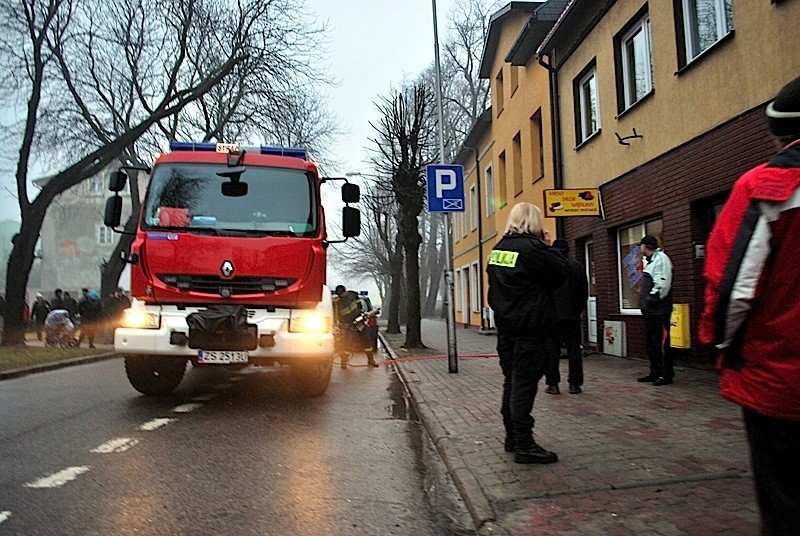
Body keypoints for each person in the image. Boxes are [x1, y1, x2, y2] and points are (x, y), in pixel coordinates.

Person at [699, 75, 800, 535]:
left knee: (785, 502)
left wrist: (718, 344)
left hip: (779, 379)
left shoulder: (768, 189)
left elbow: (733, 289)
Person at [487, 202, 568, 464]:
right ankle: (524, 444)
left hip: (507, 330)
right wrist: (548, 246)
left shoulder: (498, 249)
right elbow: (560, 273)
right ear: (534, 222)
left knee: (511, 383)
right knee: (523, 387)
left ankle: (512, 437)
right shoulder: (532, 250)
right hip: (531, 330)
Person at [544, 239, 589, 395]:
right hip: (572, 315)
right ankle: (574, 384)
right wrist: (578, 309)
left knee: (551, 350)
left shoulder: (548, 269)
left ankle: (553, 384)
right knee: (574, 349)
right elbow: (584, 293)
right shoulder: (577, 267)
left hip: (552, 316)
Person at [636, 234, 674, 386]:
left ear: (645, 246)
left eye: (641, 246)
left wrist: (652, 298)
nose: (641, 249)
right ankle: (655, 371)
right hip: (651, 310)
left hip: (659, 310)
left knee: (662, 342)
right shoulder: (651, 261)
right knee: (652, 343)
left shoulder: (661, 259)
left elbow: (663, 282)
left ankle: (666, 374)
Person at [333, 284, 377, 368]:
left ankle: (371, 360)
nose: (342, 296)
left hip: (359, 322)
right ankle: (344, 362)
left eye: (343, 293)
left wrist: (361, 315)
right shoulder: (337, 302)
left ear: (345, 291)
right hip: (347, 325)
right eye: (340, 295)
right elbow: (336, 315)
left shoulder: (352, 295)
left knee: (366, 340)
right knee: (347, 343)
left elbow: (359, 305)